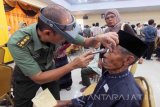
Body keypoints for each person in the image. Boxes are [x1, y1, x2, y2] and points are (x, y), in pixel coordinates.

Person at [7, 4, 119, 107]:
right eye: (65, 37)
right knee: (23, 104)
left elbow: (85, 42)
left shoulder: (61, 30)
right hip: (27, 76)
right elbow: (38, 77)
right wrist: (72, 65)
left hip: (50, 68)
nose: (68, 40)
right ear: (47, 33)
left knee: (55, 102)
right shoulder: (18, 42)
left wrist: (97, 38)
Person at [55, 30, 147, 107]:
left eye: (111, 52)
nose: (105, 55)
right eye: (107, 50)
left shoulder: (127, 97)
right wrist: (66, 102)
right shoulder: (110, 74)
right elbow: (95, 98)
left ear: (128, 60)